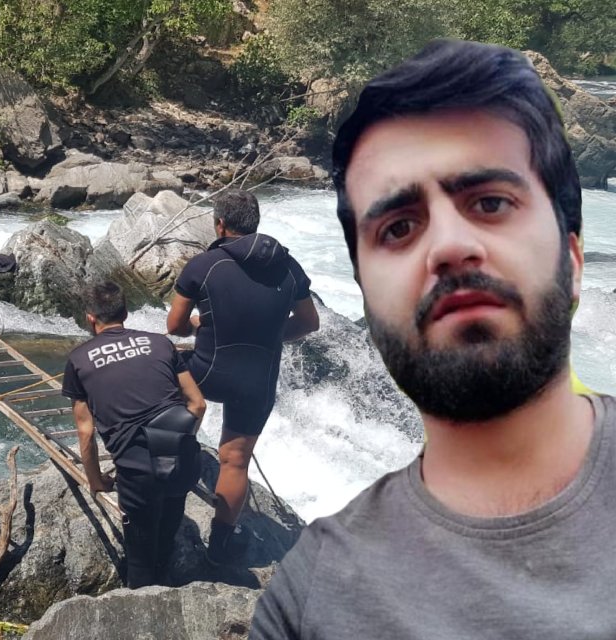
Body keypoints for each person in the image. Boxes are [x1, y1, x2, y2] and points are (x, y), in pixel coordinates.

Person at [251, 40, 614, 638]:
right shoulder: (312, 598)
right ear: (365, 299)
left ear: (573, 262)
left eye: (490, 202)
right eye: (398, 228)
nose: (448, 246)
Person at [166, 189, 320, 565]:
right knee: (235, 461)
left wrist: (200, 326)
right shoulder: (289, 266)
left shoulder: (204, 265)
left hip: (206, 373)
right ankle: (220, 546)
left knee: (164, 368)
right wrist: (269, 336)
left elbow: (174, 326)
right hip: (258, 381)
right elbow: (309, 323)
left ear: (220, 224)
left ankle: (174, 457)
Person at [63, 281, 208, 588]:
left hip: (138, 475)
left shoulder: (78, 360)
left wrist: (95, 480)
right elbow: (197, 404)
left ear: (90, 318)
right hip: (183, 462)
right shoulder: (161, 343)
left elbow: (86, 432)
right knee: (165, 541)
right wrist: (180, 441)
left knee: (140, 564)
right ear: (126, 312)